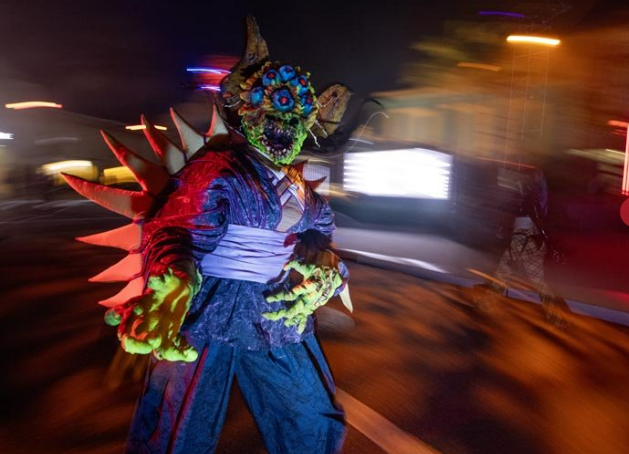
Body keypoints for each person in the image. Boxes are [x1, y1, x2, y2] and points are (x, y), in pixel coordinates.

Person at [64, 17, 353, 453]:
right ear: (247, 114)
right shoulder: (220, 170)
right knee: (180, 424)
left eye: (296, 119)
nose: (284, 127)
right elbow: (177, 230)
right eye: (273, 113)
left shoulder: (300, 187)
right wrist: (176, 279)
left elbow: (320, 233)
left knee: (310, 415)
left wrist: (323, 267)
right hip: (209, 306)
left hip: (276, 310)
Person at [477, 168, 569, 329]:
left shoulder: (530, 197)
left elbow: (535, 222)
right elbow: (528, 220)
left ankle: (484, 306)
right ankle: (555, 317)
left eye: (521, 179)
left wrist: (551, 247)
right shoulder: (537, 196)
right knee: (540, 283)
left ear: (528, 181)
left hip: (522, 241)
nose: (517, 181)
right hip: (534, 242)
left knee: (502, 273)